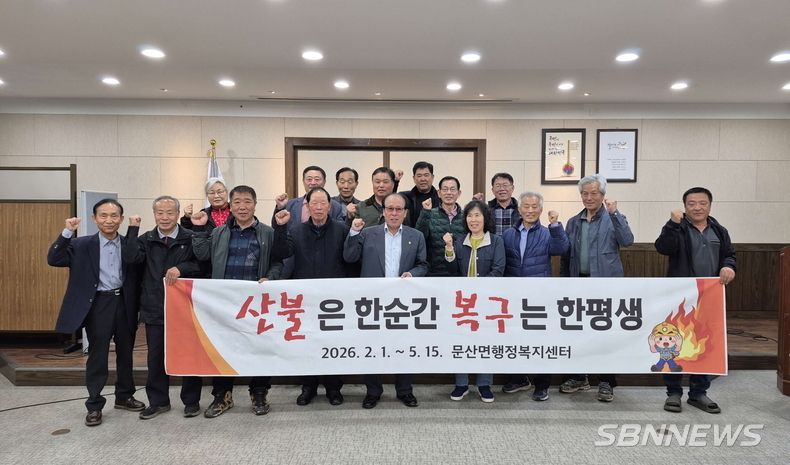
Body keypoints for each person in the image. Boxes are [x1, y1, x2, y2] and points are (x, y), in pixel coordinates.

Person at [47, 199, 145, 426]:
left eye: (114, 216)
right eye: (103, 215)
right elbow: (54, 259)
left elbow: (136, 261)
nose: (109, 220)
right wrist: (67, 232)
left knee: (126, 353)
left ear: (121, 219)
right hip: (98, 304)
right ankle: (94, 405)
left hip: (125, 303)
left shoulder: (130, 243)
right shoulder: (81, 244)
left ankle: (124, 396)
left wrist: (133, 230)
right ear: (94, 219)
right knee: (98, 356)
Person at [192, 185, 286, 417]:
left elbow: (277, 262)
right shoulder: (219, 232)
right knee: (223, 347)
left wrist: (270, 278)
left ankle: (259, 393)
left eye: (247, 202)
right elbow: (202, 256)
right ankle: (222, 395)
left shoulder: (267, 232)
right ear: (230, 206)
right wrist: (200, 230)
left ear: (255, 204)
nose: (242, 207)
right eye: (237, 202)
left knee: (260, 347)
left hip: (257, 303)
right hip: (225, 302)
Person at [122, 196, 207, 420]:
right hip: (154, 306)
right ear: (154, 215)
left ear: (178, 214)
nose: (165, 217)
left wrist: (181, 268)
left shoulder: (190, 237)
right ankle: (158, 402)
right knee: (156, 358)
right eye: (160, 213)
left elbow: (203, 265)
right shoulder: (146, 239)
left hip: (185, 307)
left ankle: (191, 401)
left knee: (189, 355)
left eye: (170, 213)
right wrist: (133, 229)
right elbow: (130, 258)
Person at [655, 187, 735, 414]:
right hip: (680, 298)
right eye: (692, 204)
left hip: (709, 297)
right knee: (672, 342)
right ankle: (673, 393)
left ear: (710, 205)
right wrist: (672, 224)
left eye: (702, 203)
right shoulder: (677, 227)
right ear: (684, 206)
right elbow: (663, 248)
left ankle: (698, 393)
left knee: (705, 345)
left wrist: (729, 266)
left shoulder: (719, 230)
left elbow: (729, 255)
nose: (697, 207)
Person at [343, 193, 428, 409]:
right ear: (384, 211)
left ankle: (405, 390)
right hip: (373, 300)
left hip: (403, 302)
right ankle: (373, 391)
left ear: (405, 213)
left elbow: (423, 265)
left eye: (399, 209)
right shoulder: (367, 233)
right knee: (372, 346)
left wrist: (412, 274)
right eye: (390, 209)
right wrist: (353, 232)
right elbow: (350, 257)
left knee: (404, 345)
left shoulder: (416, 236)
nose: (394, 213)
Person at [560, 173, 633, 402]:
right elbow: (566, 256)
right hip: (578, 284)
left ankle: (606, 381)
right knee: (577, 332)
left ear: (603, 195)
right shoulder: (574, 221)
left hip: (605, 286)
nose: (589, 197)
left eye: (594, 193)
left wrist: (615, 213)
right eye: (585, 193)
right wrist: (564, 284)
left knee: (605, 334)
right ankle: (579, 376)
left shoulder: (613, 217)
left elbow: (627, 240)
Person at [273, 187, 348, 406]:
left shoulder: (342, 230)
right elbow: (282, 252)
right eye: (314, 203)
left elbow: (350, 262)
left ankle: (333, 388)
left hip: (334, 299)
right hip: (304, 298)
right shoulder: (296, 230)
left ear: (330, 206)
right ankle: (308, 387)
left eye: (323, 203)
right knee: (306, 343)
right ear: (307, 206)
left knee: (332, 343)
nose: (318, 207)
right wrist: (280, 227)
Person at [499, 192, 569, 400]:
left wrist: (556, 226)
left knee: (541, 339)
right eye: (526, 206)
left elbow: (561, 248)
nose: (530, 210)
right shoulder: (508, 235)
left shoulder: (548, 233)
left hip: (539, 295)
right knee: (515, 337)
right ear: (519, 209)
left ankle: (542, 384)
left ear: (541, 210)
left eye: (534, 207)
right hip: (513, 295)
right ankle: (519, 378)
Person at [444, 200, 505, 402]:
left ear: (485, 218)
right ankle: (461, 384)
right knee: (462, 341)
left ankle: (484, 384)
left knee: (485, 342)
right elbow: (453, 270)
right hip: (464, 303)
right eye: (470, 215)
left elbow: (498, 270)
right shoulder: (461, 241)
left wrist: (479, 290)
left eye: (477, 215)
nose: (473, 219)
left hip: (487, 301)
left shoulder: (496, 241)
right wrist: (450, 248)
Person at [415, 176, 466, 276]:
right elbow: (419, 237)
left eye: (452, 189)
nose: (449, 193)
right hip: (434, 272)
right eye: (445, 189)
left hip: (460, 272)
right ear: (439, 193)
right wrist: (425, 212)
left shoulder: (466, 216)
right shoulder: (429, 213)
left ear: (459, 193)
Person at [346, 167, 410, 229]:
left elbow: (408, 231)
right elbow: (350, 232)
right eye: (377, 182)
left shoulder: (401, 208)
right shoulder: (361, 207)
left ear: (393, 184)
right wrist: (350, 217)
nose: (381, 185)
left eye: (385, 182)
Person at [400, 161, 441, 227]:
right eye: (419, 176)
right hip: (411, 233)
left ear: (432, 177)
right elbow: (389, 200)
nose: (423, 179)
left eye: (426, 175)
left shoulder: (440, 197)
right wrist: (395, 181)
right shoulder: (405, 197)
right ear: (414, 178)